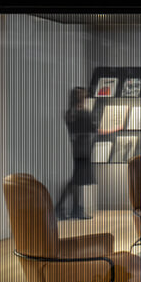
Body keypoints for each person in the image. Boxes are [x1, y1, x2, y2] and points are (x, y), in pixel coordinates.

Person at [56, 87, 98, 220]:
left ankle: (74, 208)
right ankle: (62, 207)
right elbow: (94, 129)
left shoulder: (70, 113)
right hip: (84, 149)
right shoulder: (85, 113)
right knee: (76, 180)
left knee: (77, 180)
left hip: (76, 148)